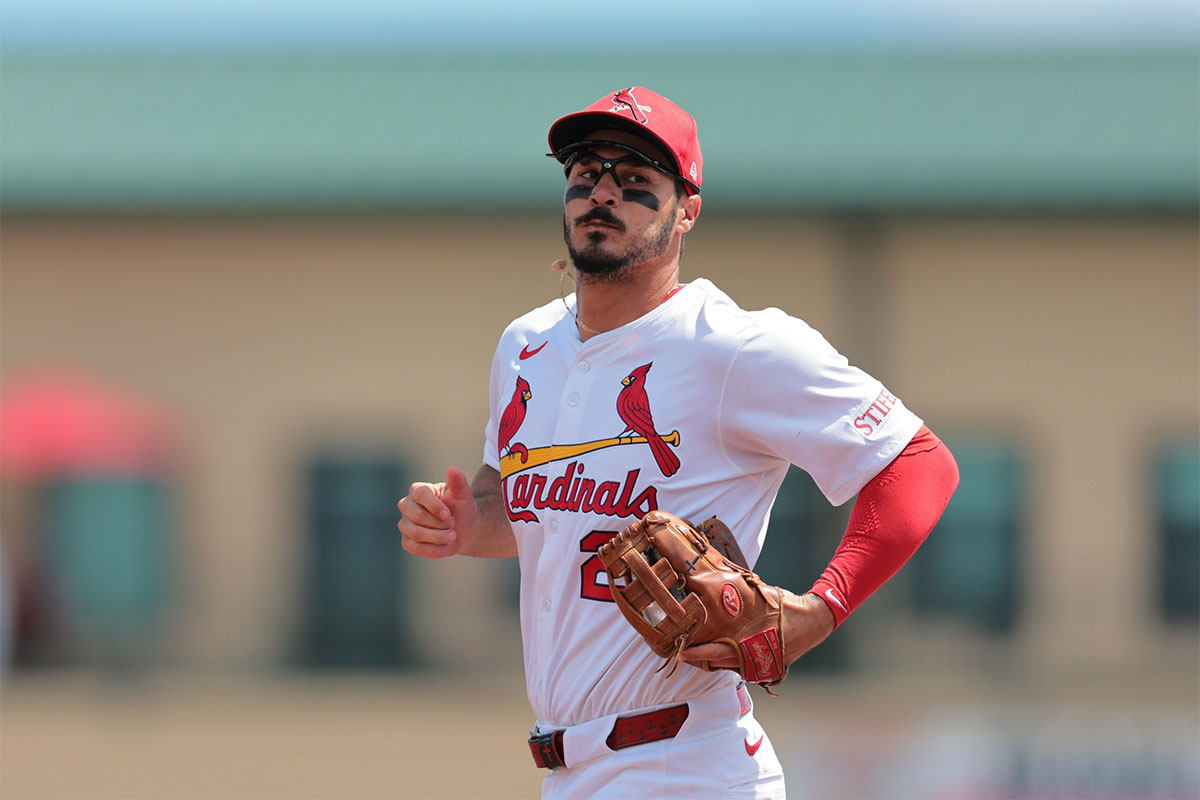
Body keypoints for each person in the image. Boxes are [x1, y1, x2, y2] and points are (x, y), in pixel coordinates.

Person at [399, 86, 960, 799]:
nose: (603, 191)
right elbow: (520, 502)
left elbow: (919, 464)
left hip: (685, 761)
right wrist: (463, 521)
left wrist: (823, 609)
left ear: (687, 211)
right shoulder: (525, 346)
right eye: (584, 172)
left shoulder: (734, 348)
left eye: (635, 179)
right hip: (571, 772)